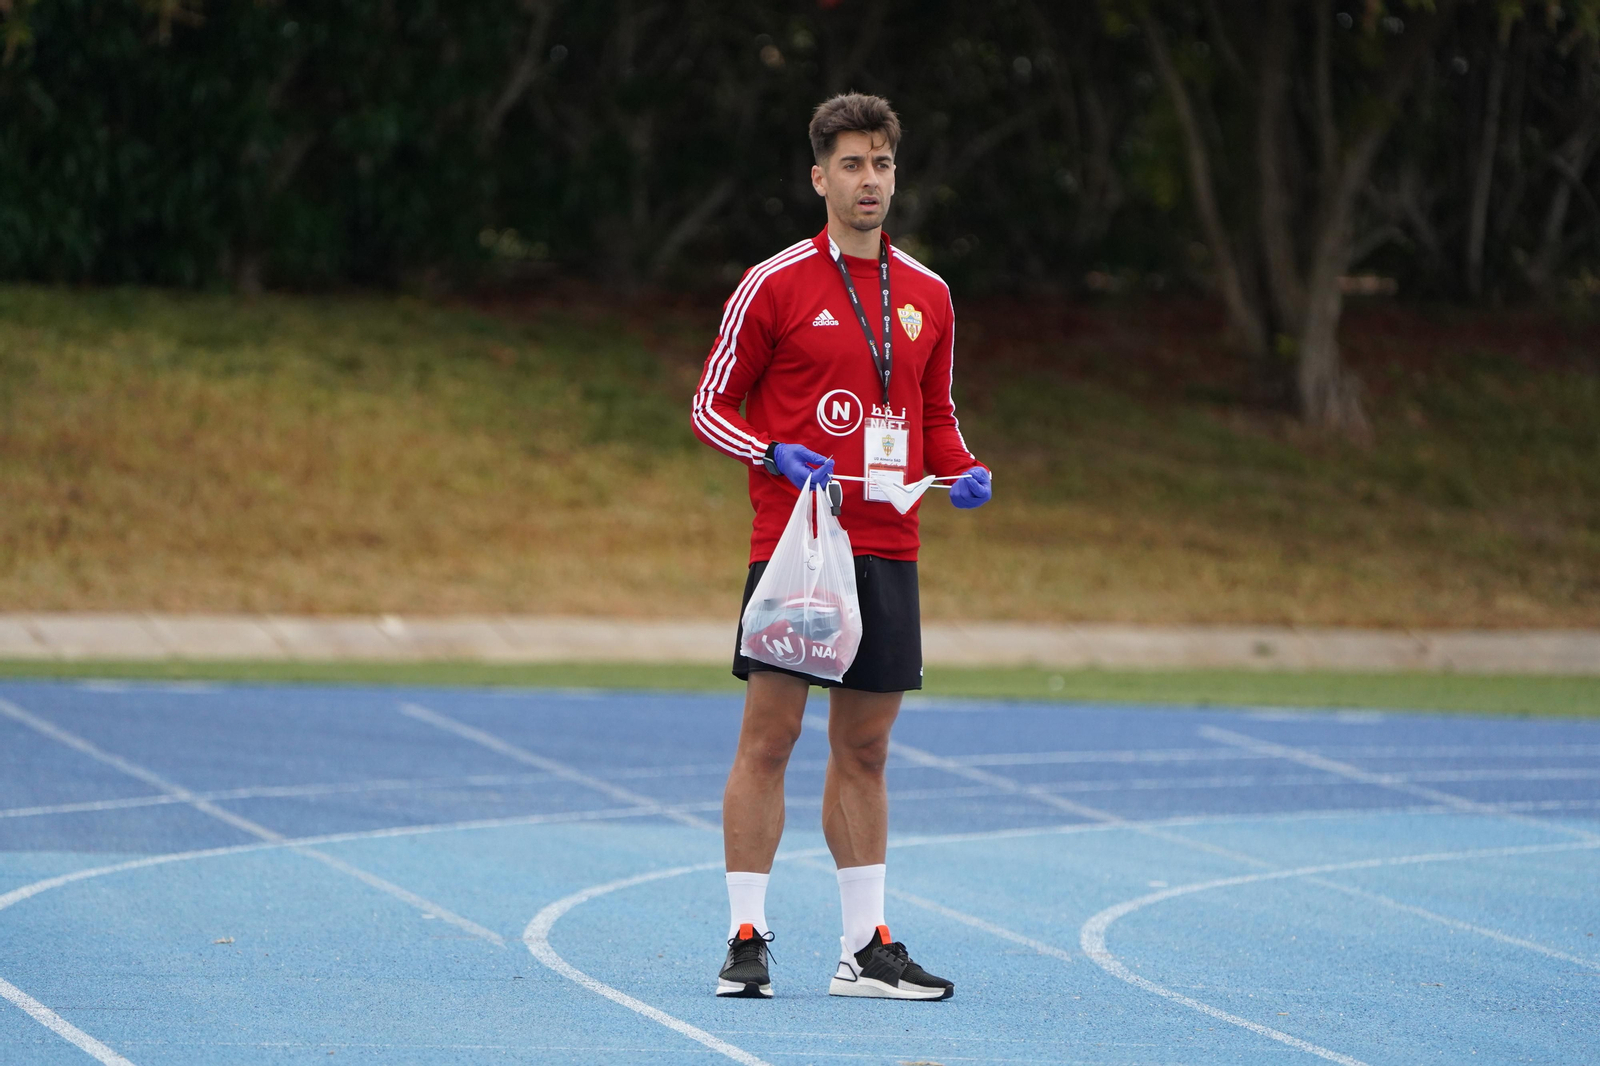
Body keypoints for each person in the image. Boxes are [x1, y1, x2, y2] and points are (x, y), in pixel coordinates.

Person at [690, 92, 991, 1001]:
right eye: (853, 165)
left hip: (888, 543)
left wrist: (965, 468)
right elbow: (710, 405)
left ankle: (865, 948)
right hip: (798, 548)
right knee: (771, 739)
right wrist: (769, 451)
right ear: (818, 177)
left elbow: (934, 419)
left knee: (865, 750)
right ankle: (746, 936)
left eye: (884, 164)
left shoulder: (929, 294)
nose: (871, 181)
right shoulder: (774, 282)